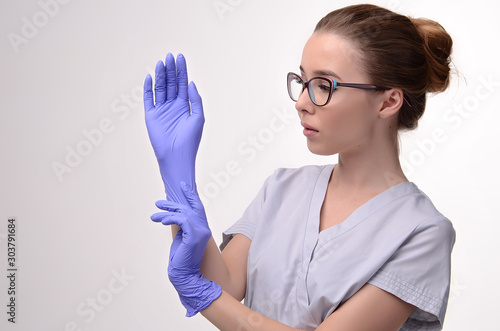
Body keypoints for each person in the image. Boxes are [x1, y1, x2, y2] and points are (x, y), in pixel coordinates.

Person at [143, 4, 456, 330]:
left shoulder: (422, 232)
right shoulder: (282, 189)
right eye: (303, 81)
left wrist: (201, 294)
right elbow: (224, 286)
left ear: (389, 101)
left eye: (324, 85)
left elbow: (213, 296)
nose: (301, 103)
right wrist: (177, 176)